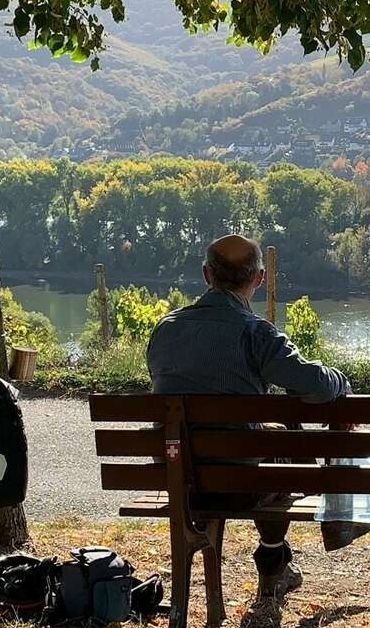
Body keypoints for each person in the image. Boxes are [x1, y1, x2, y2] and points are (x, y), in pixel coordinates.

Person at [146, 234, 352, 601]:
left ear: (207, 274)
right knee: (281, 440)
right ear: (259, 279)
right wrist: (342, 381)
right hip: (240, 482)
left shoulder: (165, 330)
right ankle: (274, 560)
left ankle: (276, 558)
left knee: (273, 435)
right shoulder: (256, 333)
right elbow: (317, 386)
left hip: (178, 476)